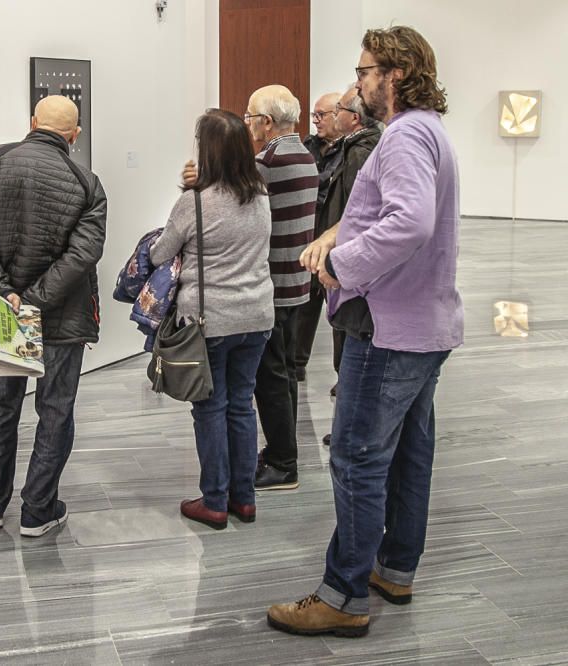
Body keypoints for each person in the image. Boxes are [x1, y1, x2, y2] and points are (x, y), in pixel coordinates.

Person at [267, 25, 463, 637]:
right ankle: (394, 568)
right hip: (422, 325)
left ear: (394, 74)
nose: (357, 81)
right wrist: (336, 234)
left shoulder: (404, 136)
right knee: (408, 453)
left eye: (364, 70)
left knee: (355, 456)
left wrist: (339, 263)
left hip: (388, 326)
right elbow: (382, 213)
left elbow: (408, 223)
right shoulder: (428, 131)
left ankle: (343, 596)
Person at [0, 95, 107, 537]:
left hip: (2, 314)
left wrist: (4, 293)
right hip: (62, 319)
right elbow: (84, 253)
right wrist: (33, 299)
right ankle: (39, 510)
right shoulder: (87, 182)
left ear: (32, 123)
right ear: (75, 135)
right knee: (55, 410)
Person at [150, 109, 273, 529]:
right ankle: (245, 498)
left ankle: (216, 500)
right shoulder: (260, 196)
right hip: (256, 316)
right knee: (241, 404)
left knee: (210, 407)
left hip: (209, 322)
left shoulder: (194, 202)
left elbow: (159, 253)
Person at [244, 85, 319, 491]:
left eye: (250, 115)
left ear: (267, 122)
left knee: (270, 378)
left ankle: (282, 462)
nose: (248, 122)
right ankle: (282, 450)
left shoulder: (266, 161)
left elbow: (232, 202)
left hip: (271, 283)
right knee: (285, 372)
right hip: (296, 281)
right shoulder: (304, 154)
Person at [317, 86, 383, 418]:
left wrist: (339, 257)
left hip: (348, 260)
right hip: (344, 256)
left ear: (353, 118)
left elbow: (359, 213)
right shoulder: (355, 148)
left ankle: (350, 413)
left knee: (348, 335)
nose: (331, 116)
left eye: (337, 109)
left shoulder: (360, 153)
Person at [295, 92, 344, 381]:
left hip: (336, 238)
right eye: (314, 115)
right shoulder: (308, 145)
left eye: (321, 115)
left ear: (339, 115)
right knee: (305, 305)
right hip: (309, 235)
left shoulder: (353, 150)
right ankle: (297, 365)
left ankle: (343, 375)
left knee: (338, 310)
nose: (316, 122)